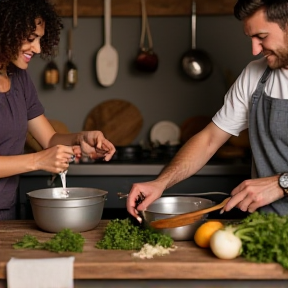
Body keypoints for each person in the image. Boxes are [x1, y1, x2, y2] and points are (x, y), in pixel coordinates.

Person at [127, 0, 288, 222]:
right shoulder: (255, 75)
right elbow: (209, 139)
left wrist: (282, 183)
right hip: (267, 231)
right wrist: (161, 182)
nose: (254, 50)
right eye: (250, 39)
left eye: (261, 37)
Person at [0, 0, 116, 220]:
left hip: (7, 210)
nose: (38, 49)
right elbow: (42, 155)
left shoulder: (19, 78)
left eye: (40, 39)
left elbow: (50, 139)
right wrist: (38, 161)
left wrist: (81, 139)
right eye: (30, 39)